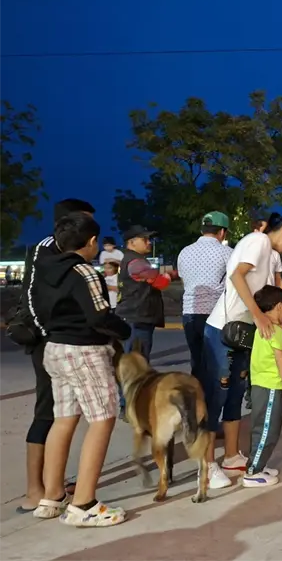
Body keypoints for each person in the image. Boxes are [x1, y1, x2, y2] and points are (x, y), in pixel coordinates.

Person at [31, 212, 132, 526]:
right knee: (102, 419)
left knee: (64, 418)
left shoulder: (43, 270)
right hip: (84, 350)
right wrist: (124, 330)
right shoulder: (83, 271)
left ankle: (52, 496)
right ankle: (84, 503)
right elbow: (100, 316)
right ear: (91, 242)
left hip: (54, 349)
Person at [201, 212, 282, 489]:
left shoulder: (271, 253)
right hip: (223, 329)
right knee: (217, 397)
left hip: (243, 333)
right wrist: (259, 314)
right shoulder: (258, 240)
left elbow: (272, 288)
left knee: (235, 395)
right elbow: (237, 276)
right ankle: (208, 465)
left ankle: (232, 456)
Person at [10, 198, 95, 514]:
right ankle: (36, 490)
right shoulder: (46, 249)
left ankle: (54, 482)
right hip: (49, 342)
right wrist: (51, 334)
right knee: (47, 411)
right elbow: (31, 298)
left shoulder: (71, 253)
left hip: (68, 340)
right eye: (86, 221)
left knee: (67, 412)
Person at [243, 286, 282, 488]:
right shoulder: (276, 332)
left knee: (264, 427)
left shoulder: (265, 328)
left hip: (263, 386)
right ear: (279, 306)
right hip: (271, 386)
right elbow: (279, 359)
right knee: (267, 430)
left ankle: (259, 464)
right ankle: (252, 471)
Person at [177, 212, 233, 386]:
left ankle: (197, 401)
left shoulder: (184, 252)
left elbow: (183, 280)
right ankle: (211, 405)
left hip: (189, 313)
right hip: (215, 315)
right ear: (222, 232)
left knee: (197, 361)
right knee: (215, 364)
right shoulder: (226, 253)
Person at [117, 225, 170, 360]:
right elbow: (160, 282)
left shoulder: (128, 258)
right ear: (132, 242)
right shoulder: (136, 262)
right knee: (137, 365)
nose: (149, 242)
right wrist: (170, 275)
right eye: (144, 239)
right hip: (137, 317)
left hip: (132, 316)